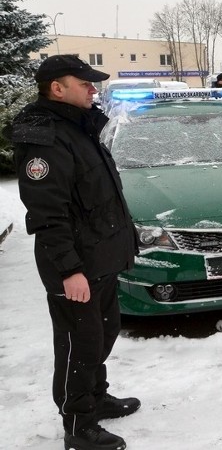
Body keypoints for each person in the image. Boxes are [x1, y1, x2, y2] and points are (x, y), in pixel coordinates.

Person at [4, 55, 140, 450]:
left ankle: (96, 398)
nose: (93, 89)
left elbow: (98, 196)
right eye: (84, 83)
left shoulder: (78, 127)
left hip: (100, 259)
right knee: (77, 345)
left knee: (103, 333)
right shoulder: (44, 138)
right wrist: (69, 270)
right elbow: (48, 215)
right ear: (57, 88)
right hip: (75, 267)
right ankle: (78, 423)